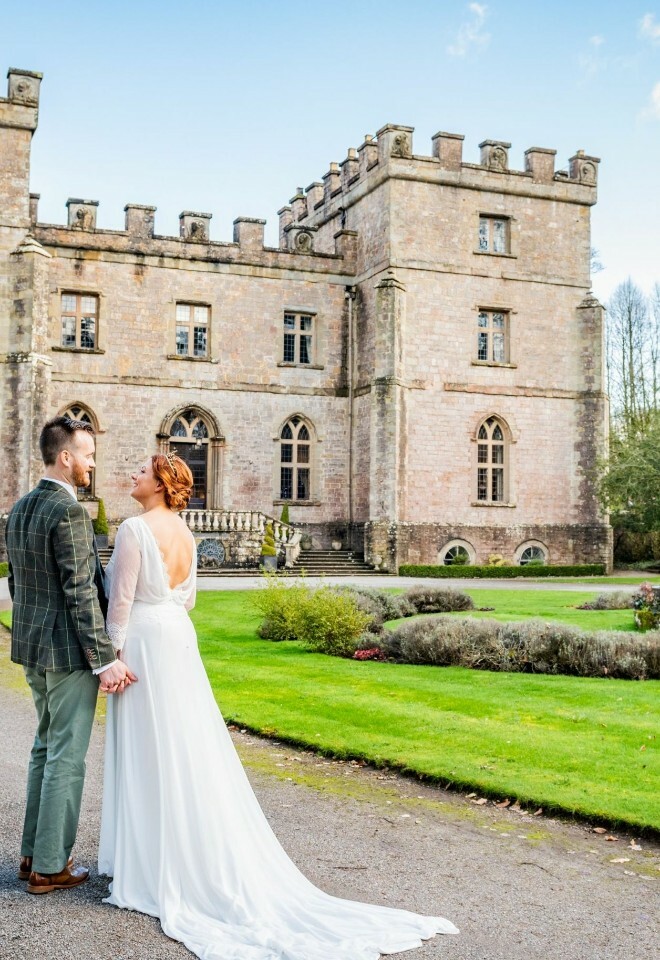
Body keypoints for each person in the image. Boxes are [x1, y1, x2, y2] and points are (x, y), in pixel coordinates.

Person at [99, 451, 458, 959]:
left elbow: (120, 604)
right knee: (183, 741)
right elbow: (189, 599)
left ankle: (150, 862)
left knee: (148, 745)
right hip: (177, 637)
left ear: (159, 483)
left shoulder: (135, 530)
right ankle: (177, 847)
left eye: (142, 471)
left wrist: (112, 657)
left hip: (143, 642)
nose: (133, 474)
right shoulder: (186, 533)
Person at [5, 416, 136, 896]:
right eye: (88, 455)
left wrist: (33, 633)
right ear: (66, 457)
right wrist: (104, 659)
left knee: (45, 747)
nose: (92, 464)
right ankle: (49, 866)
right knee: (66, 756)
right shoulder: (70, 513)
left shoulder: (20, 508)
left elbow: (18, 583)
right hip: (67, 654)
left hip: (33, 649)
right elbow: (81, 592)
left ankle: (31, 856)